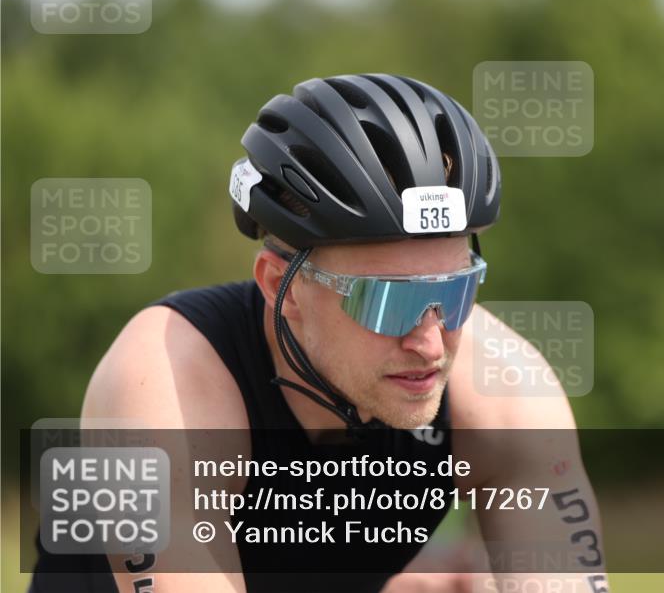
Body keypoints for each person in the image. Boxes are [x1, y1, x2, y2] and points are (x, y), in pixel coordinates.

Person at [31, 74, 607, 593]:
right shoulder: (162, 384)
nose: (430, 342)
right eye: (389, 301)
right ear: (283, 285)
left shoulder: (504, 388)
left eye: (455, 292)